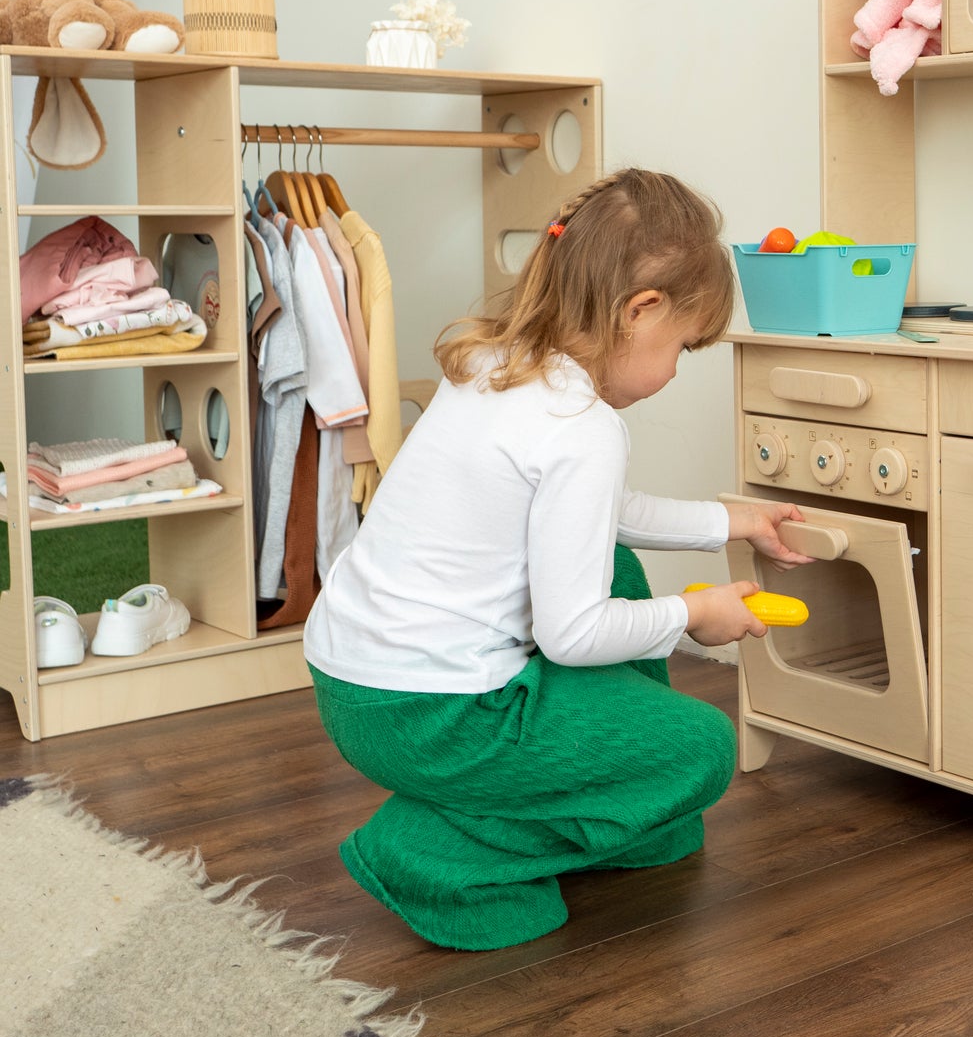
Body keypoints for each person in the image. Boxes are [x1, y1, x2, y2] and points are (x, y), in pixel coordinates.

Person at [303, 167, 807, 950]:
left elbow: (598, 517)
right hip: (440, 716)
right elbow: (572, 635)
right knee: (706, 749)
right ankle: (432, 852)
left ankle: (621, 815)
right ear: (640, 312)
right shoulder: (581, 426)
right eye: (681, 346)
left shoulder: (493, 365)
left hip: (358, 680)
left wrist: (730, 522)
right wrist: (695, 616)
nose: (676, 370)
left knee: (617, 570)